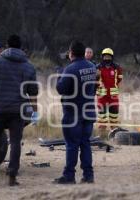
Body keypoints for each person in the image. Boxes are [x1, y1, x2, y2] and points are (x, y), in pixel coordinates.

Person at [0, 35, 38, 186]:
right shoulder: (29, 66)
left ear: (7, 46)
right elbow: (33, 92)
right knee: (16, 142)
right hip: (17, 111)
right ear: (20, 47)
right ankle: (12, 176)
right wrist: (35, 111)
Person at [55, 41, 97, 184]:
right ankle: (88, 175)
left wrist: (59, 75)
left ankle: (69, 176)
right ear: (84, 52)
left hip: (73, 113)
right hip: (89, 111)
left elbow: (61, 89)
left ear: (71, 53)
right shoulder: (92, 67)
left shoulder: (69, 69)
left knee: (72, 145)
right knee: (85, 143)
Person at [96, 48, 123, 130]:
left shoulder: (117, 67)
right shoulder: (97, 67)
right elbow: (95, 80)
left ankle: (114, 130)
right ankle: (102, 132)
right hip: (101, 94)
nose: (107, 59)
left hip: (113, 94)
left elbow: (119, 79)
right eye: (105, 57)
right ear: (102, 57)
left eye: (109, 57)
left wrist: (113, 86)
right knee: (102, 115)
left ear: (112, 57)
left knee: (114, 113)